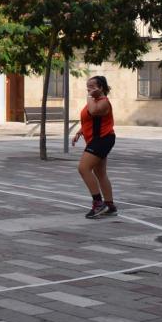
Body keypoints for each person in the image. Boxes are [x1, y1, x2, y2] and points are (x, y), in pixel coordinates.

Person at [72, 76, 117, 219]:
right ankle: (110, 206)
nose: (89, 88)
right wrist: (80, 131)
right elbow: (89, 119)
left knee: (83, 168)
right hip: (97, 139)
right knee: (100, 173)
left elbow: (93, 112)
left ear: (101, 87)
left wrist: (89, 96)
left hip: (102, 139)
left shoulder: (103, 102)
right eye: (87, 86)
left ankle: (98, 203)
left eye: (92, 86)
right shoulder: (95, 101)